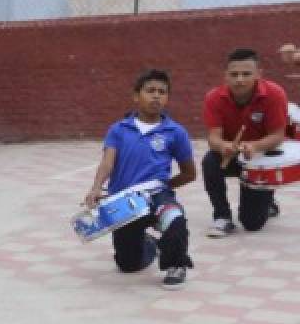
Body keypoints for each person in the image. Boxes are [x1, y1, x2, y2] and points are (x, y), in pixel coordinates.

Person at [83, 70, 196, 289]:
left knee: (175, 219)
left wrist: (164, 187)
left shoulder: (176, 132)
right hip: (124, 202)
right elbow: (107, 163)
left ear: (167, 98)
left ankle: (176, 265)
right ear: (136, 96)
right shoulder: (118, 130)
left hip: (157, 196)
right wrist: (96, 188)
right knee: (127, 265)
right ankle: (150, 244)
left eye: (162, 92)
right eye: (150, 91)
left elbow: (189, 173)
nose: (156, 96)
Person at [201, 49, 289, 236]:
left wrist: (255, 146)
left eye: (246, 74)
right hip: (231, 154)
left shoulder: (275, 94)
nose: (239, 79)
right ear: (225, 76)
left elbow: (278, 136)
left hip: (261, 157)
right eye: (234, 74)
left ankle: (267, 201)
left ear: (259, 74)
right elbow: (213, 137)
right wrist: (223, 146)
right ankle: (222, 216)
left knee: (251, 224)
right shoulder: (214, 97)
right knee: (209, 161)